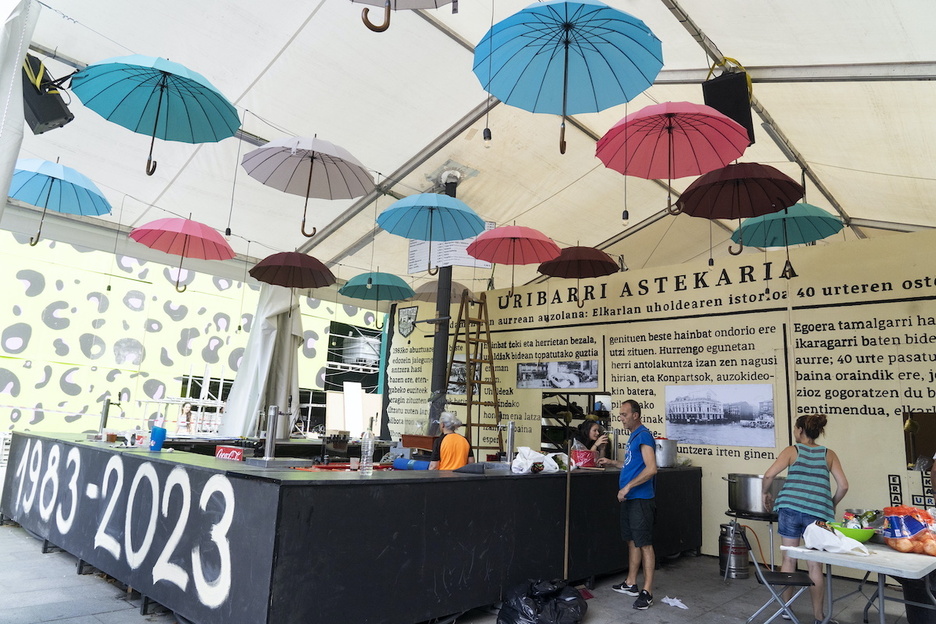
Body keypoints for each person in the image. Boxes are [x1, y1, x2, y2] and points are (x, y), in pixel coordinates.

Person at [762, 414, 848, 624]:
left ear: (800, 430)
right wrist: (831, 503)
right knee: (814, 566)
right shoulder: (829, 454)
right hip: (818, 513)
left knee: (789, 560)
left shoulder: (793, 450)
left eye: (794, 428)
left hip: (790, 508)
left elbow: (768, 475)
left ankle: (785, 609)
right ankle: (819, 617)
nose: (794, 431)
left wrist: (765, 493)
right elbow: (843, 485)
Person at [597, 399, 657, 610]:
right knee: (632, 540)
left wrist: (627, 487)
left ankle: (647, 592)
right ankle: (631, 582)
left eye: (624, 414)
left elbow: (651, 469)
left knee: (644, 543)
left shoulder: (643, 436)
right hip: (630, 499)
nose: (621, 418)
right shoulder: (633, 437)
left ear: (635, 415)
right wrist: (613, 463)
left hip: (640, 499)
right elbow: (632, 465)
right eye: (620, 415)